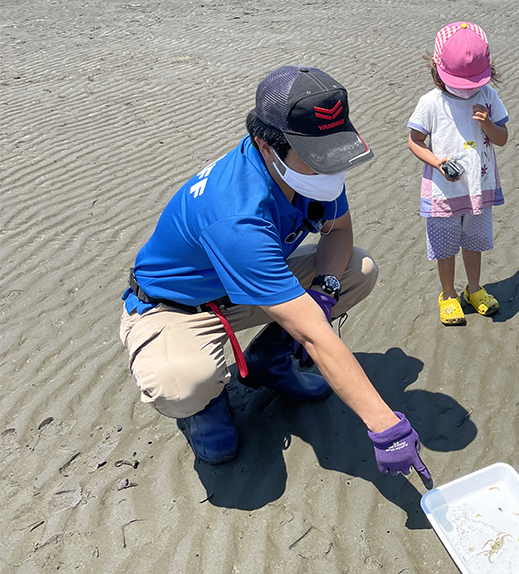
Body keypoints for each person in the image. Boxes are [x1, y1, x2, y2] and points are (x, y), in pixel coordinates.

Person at [118, 65, 430, 484]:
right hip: (176, 307)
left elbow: (338, 230)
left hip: (243, 291)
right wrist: (384, 425)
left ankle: (270, 358)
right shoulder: (237, 215)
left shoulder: (311, 171)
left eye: (335, 154)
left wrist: (325, 290)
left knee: (359, 269)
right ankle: (205, 409)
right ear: (266, 146)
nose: (332, 172)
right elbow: (316, 335)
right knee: (184, 385)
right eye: (319, 160)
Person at [407, 22, 509, 326]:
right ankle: (448, 294)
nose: (467, 90)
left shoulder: (488, 95)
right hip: (444, 191)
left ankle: (474, 289)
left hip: (478, 186)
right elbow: (415, 141)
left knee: (474, 242)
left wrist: (487, 124)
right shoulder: (431, 102)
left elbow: (502, 137)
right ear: (436, 69)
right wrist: (438, 163)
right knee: (445, 246)